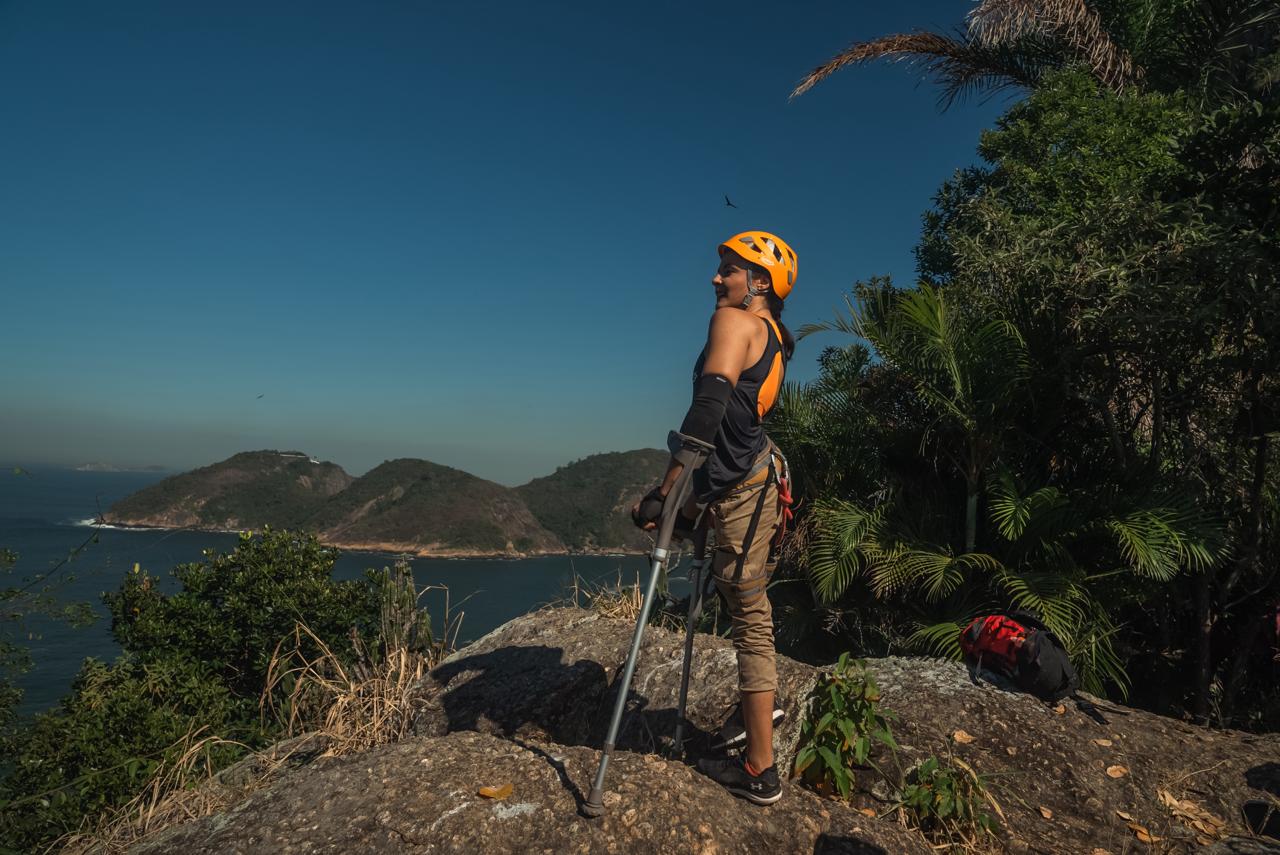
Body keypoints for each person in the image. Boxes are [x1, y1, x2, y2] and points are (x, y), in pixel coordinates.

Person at [632, 230, 797, 805]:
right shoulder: (774, 337)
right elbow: (733, 430)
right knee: (744, 606)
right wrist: (688, 502)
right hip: (748, 482)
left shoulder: (734, 321)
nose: (716, 277)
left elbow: (707, 414)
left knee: (749, 616)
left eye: (728, 269)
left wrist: (666, 493)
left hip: (741, 492)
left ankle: (760, 769)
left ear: (759, 282)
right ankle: (758, 710)